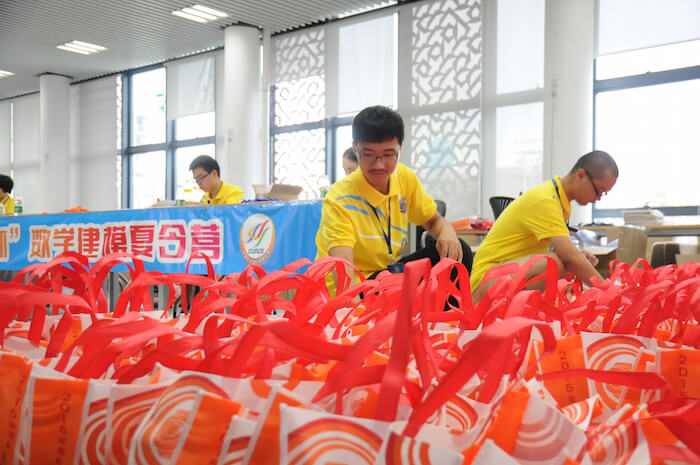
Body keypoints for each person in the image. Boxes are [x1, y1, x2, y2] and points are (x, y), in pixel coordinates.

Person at [316, 105, 472, 292]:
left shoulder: (404, 178)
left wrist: (447, 233)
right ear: (355, 149)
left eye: (389, 155)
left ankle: (445, 312)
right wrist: (357, 310)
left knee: (458, 253)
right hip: (356, 287)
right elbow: (345, 279)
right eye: (368, 155)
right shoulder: (340, 198)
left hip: (386, 275)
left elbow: (433, 221)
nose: (379, 165)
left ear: (400, 148)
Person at [470, 150, 619, 295]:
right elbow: (570, 257)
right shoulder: (546, 200)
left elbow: (566, 255)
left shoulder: (559, 201)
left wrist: (578, 257)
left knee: (564, 266)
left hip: (503, 274)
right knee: (552, 265)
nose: (598, 199)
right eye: (599, 191)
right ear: (581, 175)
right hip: (485, 281)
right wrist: (607, 290)